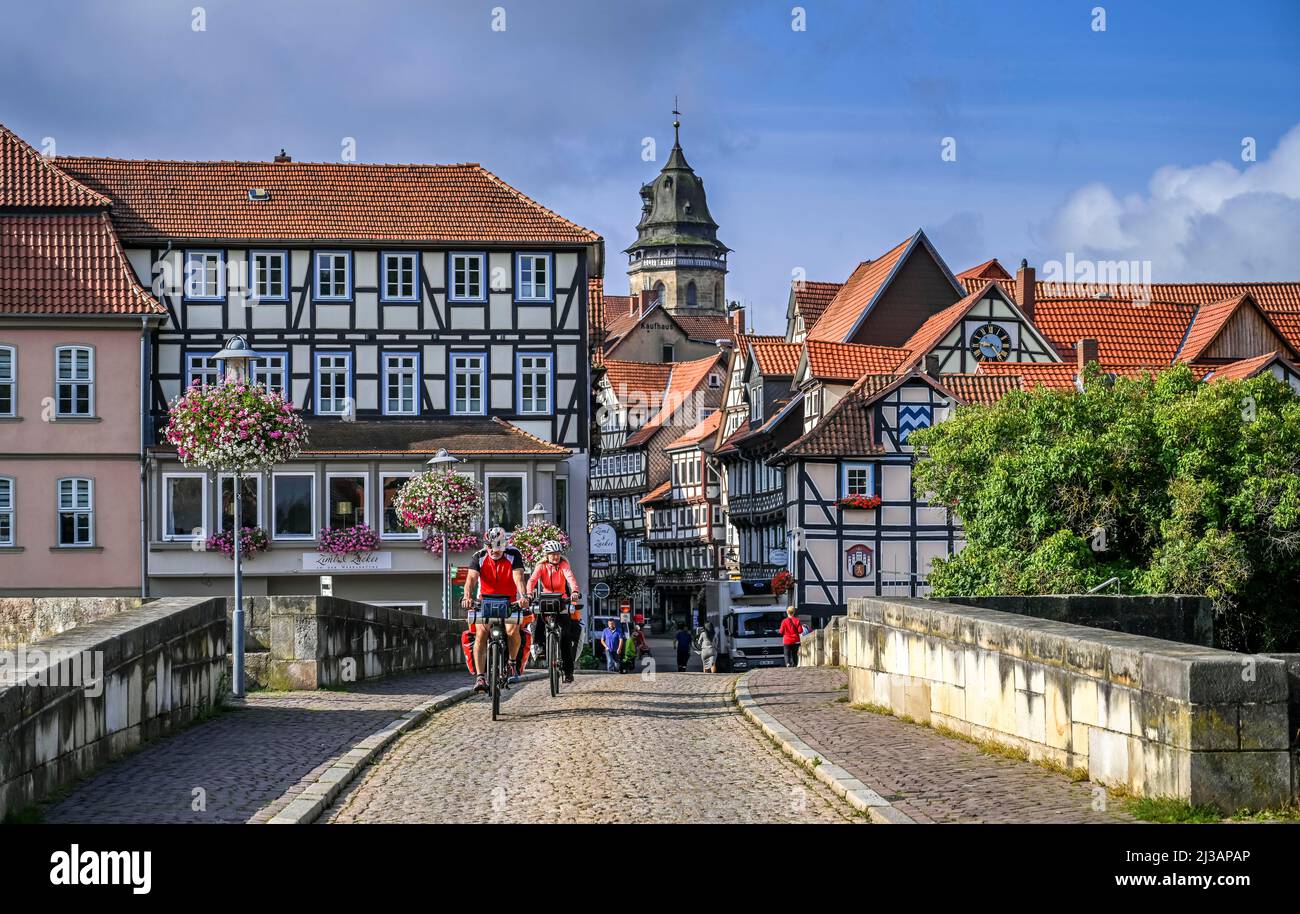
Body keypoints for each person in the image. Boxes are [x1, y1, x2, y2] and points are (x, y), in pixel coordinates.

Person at [462, 526, 529, 693]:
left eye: (497, 547)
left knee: (513, 631)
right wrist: (467, 597)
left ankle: (512, 663)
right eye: (490, 546)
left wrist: (523, 596)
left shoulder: (514, 555)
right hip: (485, 600)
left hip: (510, 600)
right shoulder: (479, 556)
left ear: (504, 544)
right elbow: (470, 579)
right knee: (481, 634)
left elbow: (518, 578)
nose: (494, 551)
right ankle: (480, 677)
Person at [526, 540, 582, 684]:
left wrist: (575, 591)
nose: (556, 557)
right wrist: (529, 592)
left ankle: (568, 671)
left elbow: (571, 579)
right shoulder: (541, 566)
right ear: (547, 555)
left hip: (562, 600)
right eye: (552, 554)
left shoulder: (564, 565)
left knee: (565, 635)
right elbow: (532, 580)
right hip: (545, 598)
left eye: (557, 554)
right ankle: (538, 645)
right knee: (537, 617)